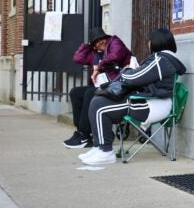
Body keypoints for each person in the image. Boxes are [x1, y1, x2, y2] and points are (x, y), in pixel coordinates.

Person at [78, 28, 186, 166]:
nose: (148, 43)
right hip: (150, 101)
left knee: (99, 106)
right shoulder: (163, 59)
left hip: (152, 105)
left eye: (150, 40)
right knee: (98, 101)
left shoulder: (161, 60)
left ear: (157, 42)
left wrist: (127, 70)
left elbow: (134, 77)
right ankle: (99, 147)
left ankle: (105, 151)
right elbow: (141, 77)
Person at [64, 27, 132, 148]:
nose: (101, 42)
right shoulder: (93, 54)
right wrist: (87, 45)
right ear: (94, 45)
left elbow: (115, 55)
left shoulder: (114, 42)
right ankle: (82, 133)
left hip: (117, 85)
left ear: (106, 38)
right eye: (97, 41)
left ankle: (84, 134)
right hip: (102, 86)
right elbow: (77, 58)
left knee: (90, 92)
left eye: (102, 39)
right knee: (75, 92)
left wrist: (98, 67)